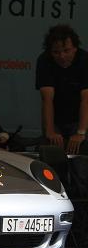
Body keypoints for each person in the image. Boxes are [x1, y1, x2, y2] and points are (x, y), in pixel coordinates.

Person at [35, 24, 88, 155]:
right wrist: (50, 131)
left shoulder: (85, 60)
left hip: (79, 117)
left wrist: (80, 133)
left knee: (79, 162)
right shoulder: (44, 60)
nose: (62, 56)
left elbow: (86, 99)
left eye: (66, 50)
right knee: (52, 159)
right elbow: (47, 99)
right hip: (56, 117)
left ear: (75, 48)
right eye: (56, 52)